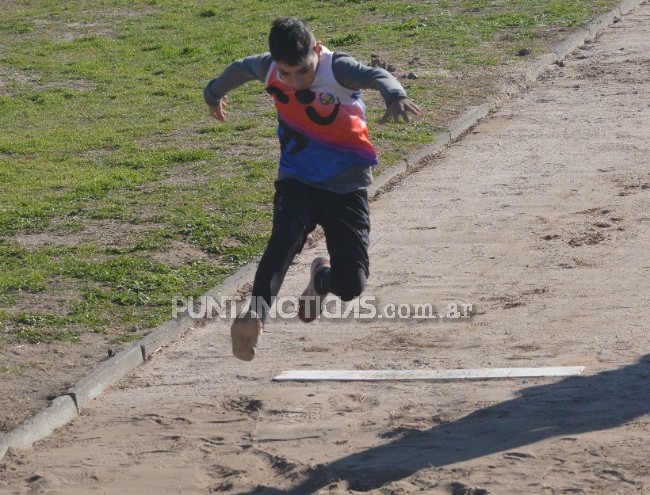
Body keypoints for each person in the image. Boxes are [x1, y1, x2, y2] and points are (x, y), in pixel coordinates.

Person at [204, 16, 421, 361]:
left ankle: (323, 280)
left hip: (346, 187)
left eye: (302, 71)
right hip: (297, 179)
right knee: (282, 241)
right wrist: (213, 93)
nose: (294, 81)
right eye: (285, 74)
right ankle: (255, 316)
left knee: (352, 286)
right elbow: (239, 68)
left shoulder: (338, 69)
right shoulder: (269, 67)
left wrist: (395, 95)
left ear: (315, 50)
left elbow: (377, 76)